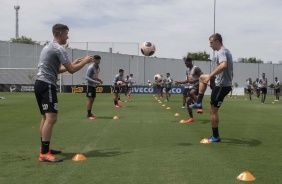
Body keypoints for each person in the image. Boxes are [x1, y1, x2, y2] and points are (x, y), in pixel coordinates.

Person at [34, 23, 94, 162]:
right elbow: (72, 70)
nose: (68, 37)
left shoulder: (48, 47)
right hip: (47, 85)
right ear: (60, 33)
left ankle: (44, 148)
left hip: (40, 83)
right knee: (52, 118)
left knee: (45, 117)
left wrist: (73, 63)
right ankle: (44, 154)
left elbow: (60, 69)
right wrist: (85, 61)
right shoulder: (59, 48)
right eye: (66, 34)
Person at [189, 33, 233, 142]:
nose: (210, 45)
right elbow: (222, 67)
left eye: (211, 42)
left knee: (212, 111)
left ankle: (215, 136)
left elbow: (224, 65)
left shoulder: (222, 51)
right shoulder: (226, 51)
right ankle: (199, 102)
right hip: (220, 83)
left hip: (221, 86)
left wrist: (211, 76)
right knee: (201, 78)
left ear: (217, 42)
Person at [175, 57, 203, 122]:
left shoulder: (196, 68)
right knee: (188, 101)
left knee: (192, 93)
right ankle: (191, 118)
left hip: (198, 85)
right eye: (185, 63)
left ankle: (200, 107)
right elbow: (188, 80)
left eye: (186, 63)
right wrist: (180, 82)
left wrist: (195, 80)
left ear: (190, 61)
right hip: (191, 86)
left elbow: (202, 76)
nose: (185, 64)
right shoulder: (187, 71)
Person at [85, 55, 103, 120]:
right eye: (98, 60)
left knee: (92, 99)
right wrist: (95, 81)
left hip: (93, 85)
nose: (99, 61)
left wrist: (99, 80)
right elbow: (87, 77)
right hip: (89, 85)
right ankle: (88, 114)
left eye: (99, 60)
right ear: (94, 60)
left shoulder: (98, 67)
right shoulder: (91, 67)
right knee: (90, 99)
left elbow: (95, 76)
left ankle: (90, 113)